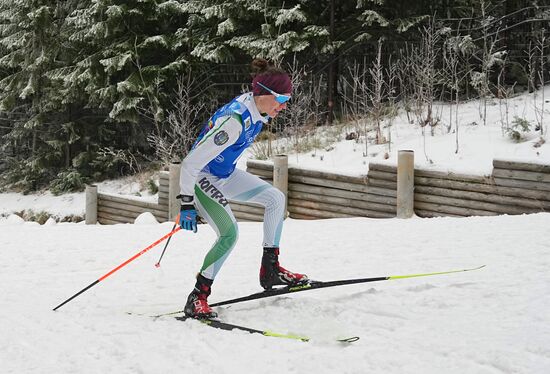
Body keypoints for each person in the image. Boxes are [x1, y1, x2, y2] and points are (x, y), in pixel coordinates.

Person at [177, 58, 308, 319]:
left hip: (224, 175)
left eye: (286, 101)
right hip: (203, 179)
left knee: (275, 199)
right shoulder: (234, 121)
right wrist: (187, 204)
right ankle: (198, 296)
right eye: (281, 100)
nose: (283, 107)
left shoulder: (257, 110)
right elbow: (190, 163)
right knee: (230, 234)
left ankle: (270, 269)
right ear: (264, 95)